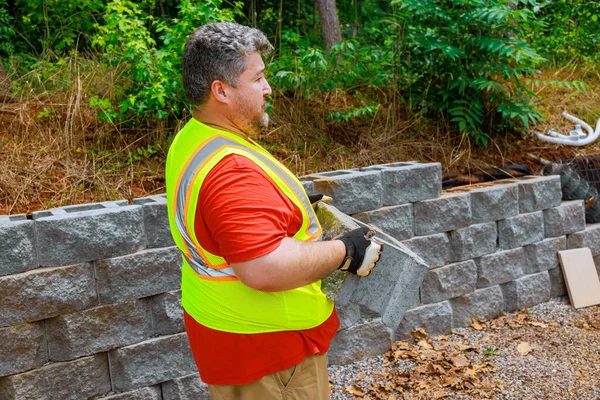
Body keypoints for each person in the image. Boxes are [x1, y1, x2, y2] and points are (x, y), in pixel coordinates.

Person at [165, 22, 383, 400]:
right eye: (258, 78)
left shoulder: (195, 137)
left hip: (233, 340)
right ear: (221, 91)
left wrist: (291, 211)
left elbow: (226, 224)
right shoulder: (230, 171)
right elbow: (263, 267)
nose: (268, 88)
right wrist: (346, 251)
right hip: (271, 356)